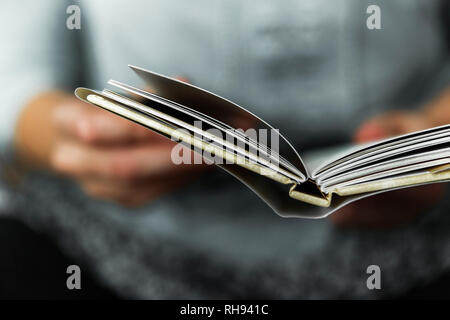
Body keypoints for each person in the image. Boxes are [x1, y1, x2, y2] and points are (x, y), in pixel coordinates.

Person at [1, 0, 449, 298]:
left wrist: (431, 137)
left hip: (413, 242)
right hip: (107, 244)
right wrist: (78, 135)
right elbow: (16, 82)